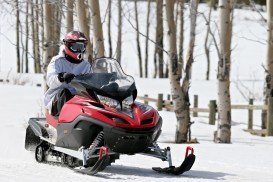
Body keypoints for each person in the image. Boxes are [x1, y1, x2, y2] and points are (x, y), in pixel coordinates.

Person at [44, 31, 92, 116]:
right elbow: (50, 79)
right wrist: (61, 77)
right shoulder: (57, 61)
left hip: (79, 99)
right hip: (57, 99)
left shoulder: (86, 65)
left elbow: (92, 82)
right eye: (76, 47)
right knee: (66, 93)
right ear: (68, 46)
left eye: (81, 47)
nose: (78, 50)